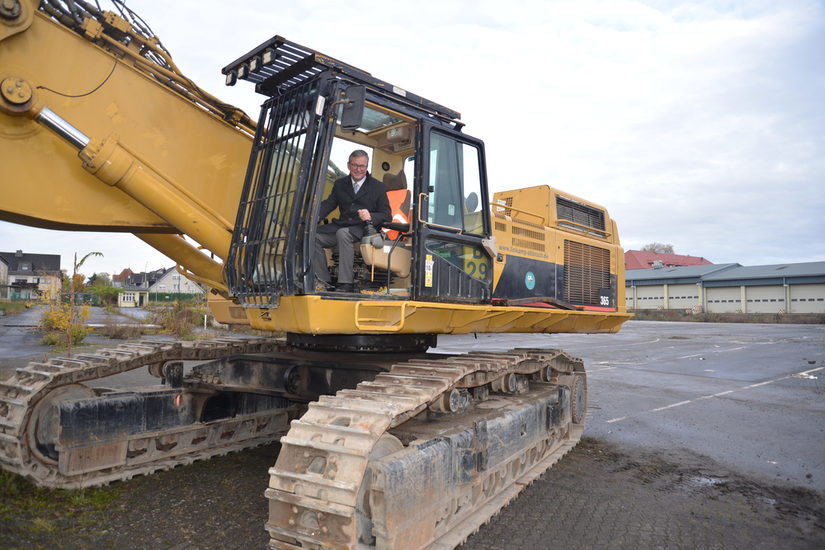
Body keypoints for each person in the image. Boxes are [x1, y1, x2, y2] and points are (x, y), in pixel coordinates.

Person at [313, 150, 391, 292]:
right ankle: (324, 281)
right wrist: (313, 217)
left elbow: (386, 215)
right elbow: (329, 204)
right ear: (348, 165)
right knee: (313, 237)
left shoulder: (378, 187)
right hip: (341, 226)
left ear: (367, 167)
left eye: (362, 166)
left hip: (363, 229)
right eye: (355, 165)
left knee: (343, 234)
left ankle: (345, 283)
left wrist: (371, 216)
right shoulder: (340, 184)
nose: (358, 169)